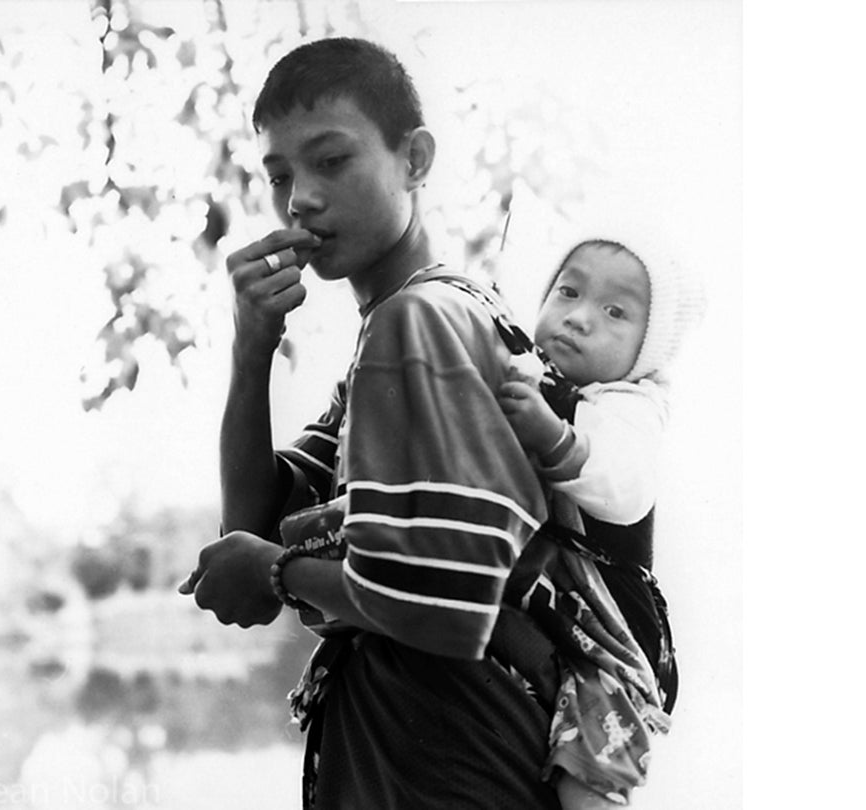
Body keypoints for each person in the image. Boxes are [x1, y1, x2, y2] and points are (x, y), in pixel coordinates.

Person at [179, 37, 570, 809]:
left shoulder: (415, 322)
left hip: (446, 767)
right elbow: (254, 519)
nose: (301, 200)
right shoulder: (421, 324)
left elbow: (443, 600)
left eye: (331, 161)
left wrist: (273, 571)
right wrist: (251, 350)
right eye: (281, 176)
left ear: (415, 159)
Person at [496, 235, 706, 806]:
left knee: (586, 775)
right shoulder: (530, 375)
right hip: (553, 607)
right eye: (568, 291)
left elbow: (624, 489)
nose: (579, 318)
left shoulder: (629, 405)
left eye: (615, 312)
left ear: (646, 350)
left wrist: (557, 439)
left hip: (610, 636)